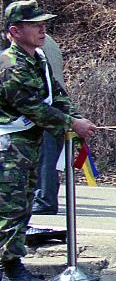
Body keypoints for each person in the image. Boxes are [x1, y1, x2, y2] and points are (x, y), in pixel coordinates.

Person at [0, 2, 97, 281]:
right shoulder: (9, 63)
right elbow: (32, 106)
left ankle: (12, 264)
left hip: (29, 143)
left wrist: (75, 116)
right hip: (10, 144)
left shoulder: (38, 58)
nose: (42, 29)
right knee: (11, 207)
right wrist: (71, 124)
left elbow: (55, 94)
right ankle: (10, 268)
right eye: (34, 24)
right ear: (15, 31)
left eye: (43, 23)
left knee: (25, 203)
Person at [31, 34, 64, 216]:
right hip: (53, 108)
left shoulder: (36, 50)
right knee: (47, 159)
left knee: (46, 159)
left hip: (45, 111)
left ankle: (44, 199)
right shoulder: (48, 42)